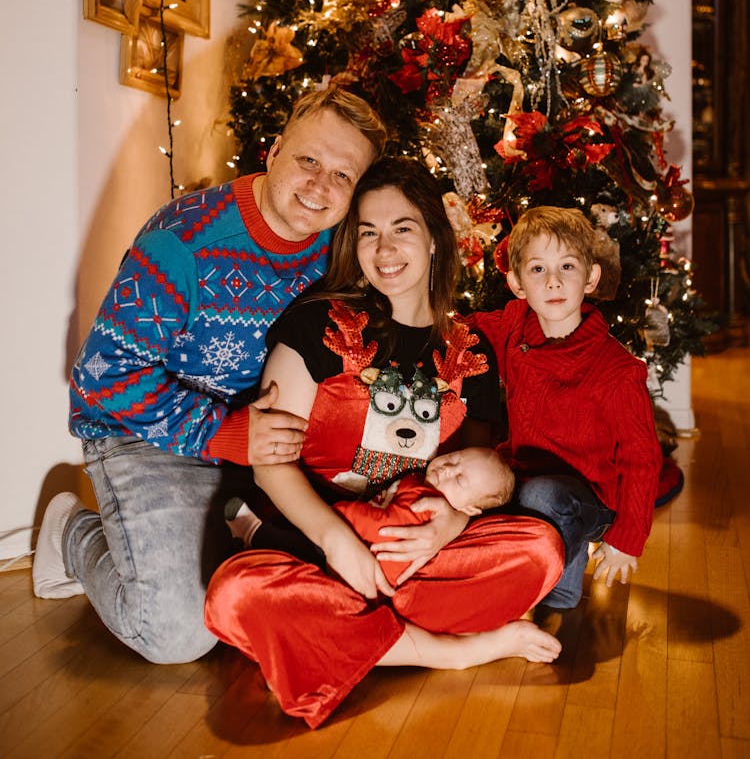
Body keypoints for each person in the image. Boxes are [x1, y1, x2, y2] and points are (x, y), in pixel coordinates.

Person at [204, 158, 565, 730]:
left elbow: (475, 471)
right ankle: (450, 649)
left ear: (434, 239)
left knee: (539, 548)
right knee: (236, 596)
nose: (384, 247)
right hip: (310, 546)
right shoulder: (315, 326)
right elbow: (269, 461)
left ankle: (346, 635)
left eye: (402, 228)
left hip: (414, 554)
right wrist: (337, 543)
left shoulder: (469, 348)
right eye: (367, 232)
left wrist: (450, 524)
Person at [32, 85, 387, 664]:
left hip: (264, 451)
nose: (321, 187)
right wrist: (227, 434)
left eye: (344, 176)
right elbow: (99, 376)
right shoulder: (184, 244)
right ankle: (71, 532)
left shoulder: (345, 249)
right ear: (272, 152)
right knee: (174, 634)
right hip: (147, 439)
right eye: (308, 160)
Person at [471, 205, 663, 612]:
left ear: (591, 277)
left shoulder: (617, 371)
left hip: (592, 496)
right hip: (524, 476)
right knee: (489, 482)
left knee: (545, 494)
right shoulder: (514, 326)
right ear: (517, 283)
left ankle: (557, 589)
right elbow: (463, 331)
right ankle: (497, 571)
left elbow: (642, 461)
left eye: (568, 267)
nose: (554, 281)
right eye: (538, 270)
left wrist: (626, 540)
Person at [227, 445, 516, 586]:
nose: (447, 469)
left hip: (362, 562)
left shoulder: (425, 502)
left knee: (300, 551)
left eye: (460, 480)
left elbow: (383, 528)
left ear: (469, 509)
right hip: (361, 558)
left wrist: (339, 513)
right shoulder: (423, 485)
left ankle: (255, 534)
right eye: (455, 459)